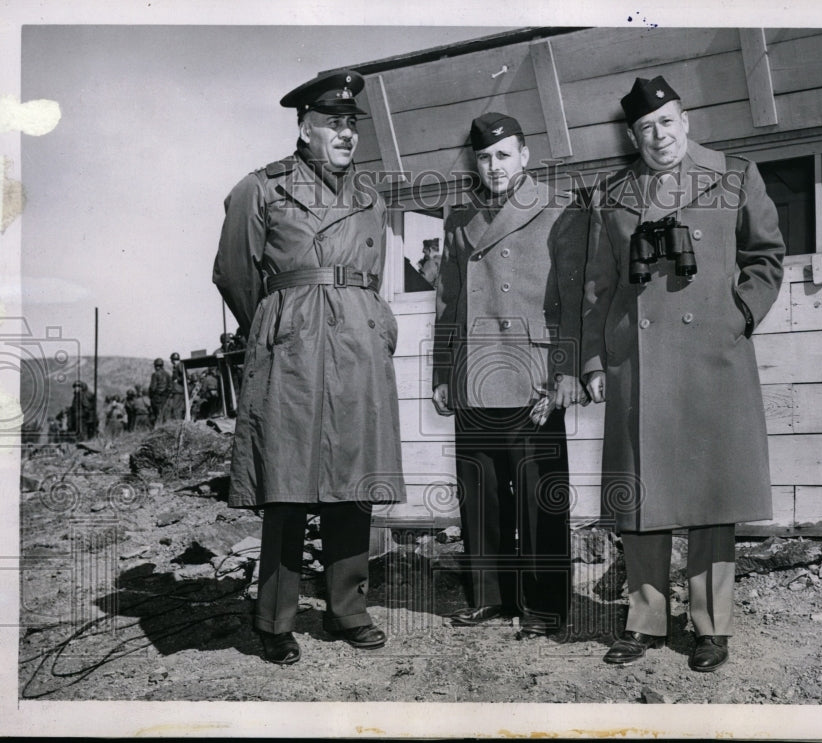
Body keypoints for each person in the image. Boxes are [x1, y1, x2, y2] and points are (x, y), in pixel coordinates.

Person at [581, 76, 785, 672]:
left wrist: (739, 313)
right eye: (646, 128)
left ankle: (711, 626)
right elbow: (597, 286)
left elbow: (765, 255)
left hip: (711, 357)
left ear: (685, 120)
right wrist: (595, 359)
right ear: (631, 136)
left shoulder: (733, 174)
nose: (658, 135)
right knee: (642, 494)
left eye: (667, 121)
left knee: (711, 493)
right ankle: (644, 620)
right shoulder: (612, 193)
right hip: (638, 361)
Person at [213, 68, 404, 665]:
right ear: (304, 126)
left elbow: (374, 274)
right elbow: (235, 274)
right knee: (287, 484)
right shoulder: (261, 188)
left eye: (352, 124)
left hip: (358, 344)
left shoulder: (371, 196)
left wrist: (378, 325)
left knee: (353, 481)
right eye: (332, 123)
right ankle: (274, 619)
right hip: (292, 348)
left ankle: (349, 610)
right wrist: (277, 325)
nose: (345, 134)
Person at [432, 112, 588, 639]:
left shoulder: (558, 208)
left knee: (539, 494)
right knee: (481, 494)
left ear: (525, 156)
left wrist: (564, 374)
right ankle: (491, 597)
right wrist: (442, 372)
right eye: (483, 157)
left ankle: (545, 606)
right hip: (474, 371)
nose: (493, 166)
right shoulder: (459, 219)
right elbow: (448, 303)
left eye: (503, 155)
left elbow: (574, 304)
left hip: (532, 372)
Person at [148, 358, 171, 425]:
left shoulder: (155, 374)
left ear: (156, 366)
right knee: (164, 415)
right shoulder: (167, 374)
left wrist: (151, 395)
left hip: (156, 397)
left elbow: (153, 388)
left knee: (157, 415)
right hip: (165, 397)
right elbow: (170, 387)